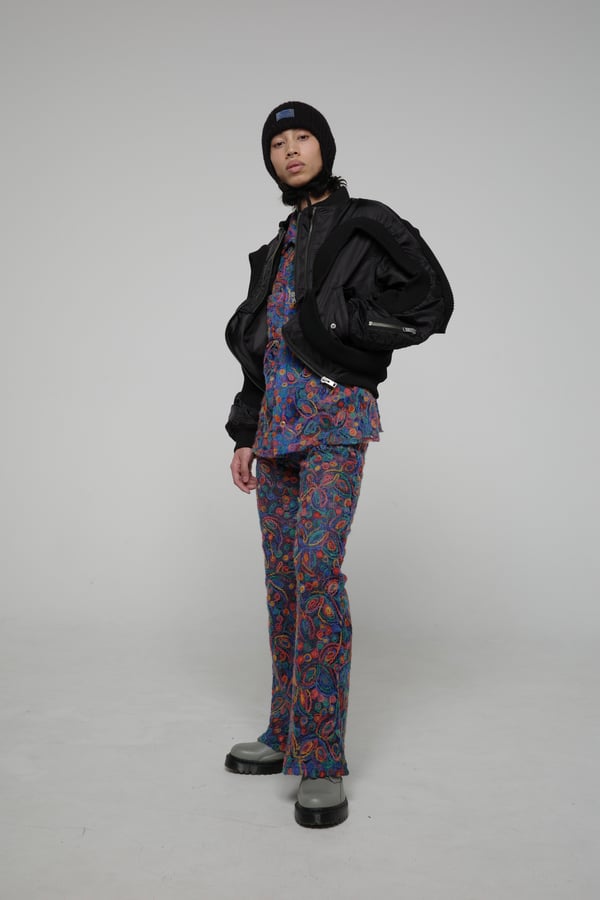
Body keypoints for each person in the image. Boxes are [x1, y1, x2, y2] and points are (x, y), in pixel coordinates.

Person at [223, 101, 453, 828]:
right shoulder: (275, 247)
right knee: (283, 582)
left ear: (324, 147)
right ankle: (283, 730)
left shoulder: (363, 222)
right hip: (275, 431)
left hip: (334, 422)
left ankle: (321, 758)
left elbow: (431, 299)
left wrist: (350, 327)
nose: (291, 150)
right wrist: (244, 431)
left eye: (303, 138)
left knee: (317, 572)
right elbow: (263, 348)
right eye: (278, 143)